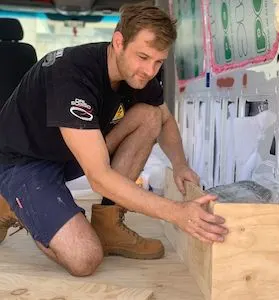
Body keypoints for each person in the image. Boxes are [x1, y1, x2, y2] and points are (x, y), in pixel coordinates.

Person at [0, 3, 228, 277]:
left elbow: (164, 119)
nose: (149, 70)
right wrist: (177, 212)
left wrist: (180, 165)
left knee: (150, 115)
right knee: (85, 258)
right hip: (24, 162)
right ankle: (11, 203)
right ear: (118, 42)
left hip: (67, 153)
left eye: (158, 62)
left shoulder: (138, 75)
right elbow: (98, 176)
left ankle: (108, 225)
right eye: (143, 57)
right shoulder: (71, 74)